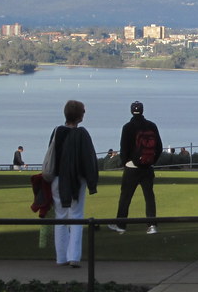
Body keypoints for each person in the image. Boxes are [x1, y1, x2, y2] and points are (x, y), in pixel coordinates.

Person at [48, 99, 99, 267]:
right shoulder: (82, 134)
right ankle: (74, 257)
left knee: (60, 217)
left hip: (58, 178)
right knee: (76, 216)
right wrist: (91, 181)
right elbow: (89, 160)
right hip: (76, 180)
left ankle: (61, 257)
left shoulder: (57, 132)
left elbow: (51, 155)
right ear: (79, 116)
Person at [109, 100, 163, 235]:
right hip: (147, 167)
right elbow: (159, 147)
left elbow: (124, 148)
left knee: (125, 197)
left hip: (131, 167)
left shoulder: (127, 127)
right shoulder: (152, 126)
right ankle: (152, 225)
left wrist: (125, 162)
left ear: (131, 111)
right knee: (149, 196)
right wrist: (152, 161)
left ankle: (121, 225)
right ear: (143, 110)